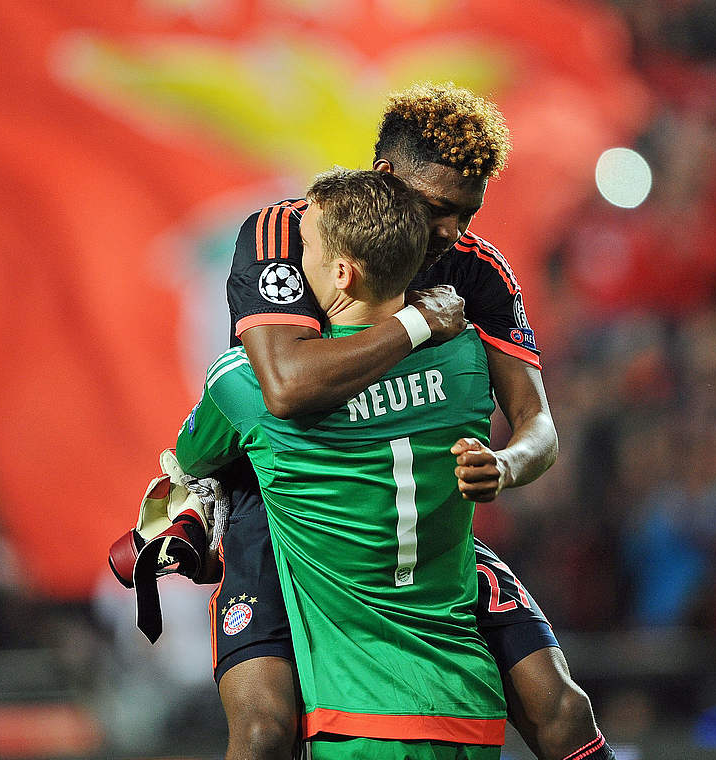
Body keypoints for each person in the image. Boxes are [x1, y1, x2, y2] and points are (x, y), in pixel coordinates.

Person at [131, 82, 609, 760]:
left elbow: (538, 426)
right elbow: (286, 385)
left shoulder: (474, 271)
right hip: (282, 508)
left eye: (468, 215)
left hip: (403, 517)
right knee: (264, 731)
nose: (454, 233)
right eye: (442, 209)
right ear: (388, 178)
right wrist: (418, 325)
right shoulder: (288, 237)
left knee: (560, 706)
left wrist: (505, 464)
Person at [178, 167, 505, 759]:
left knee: (258, 733)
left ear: (341, 272)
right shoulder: (466, 362)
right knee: (560, 706)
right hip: (470, 706)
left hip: (360, 713)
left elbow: (192, 454)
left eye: (305, 251)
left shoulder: (244, 386)